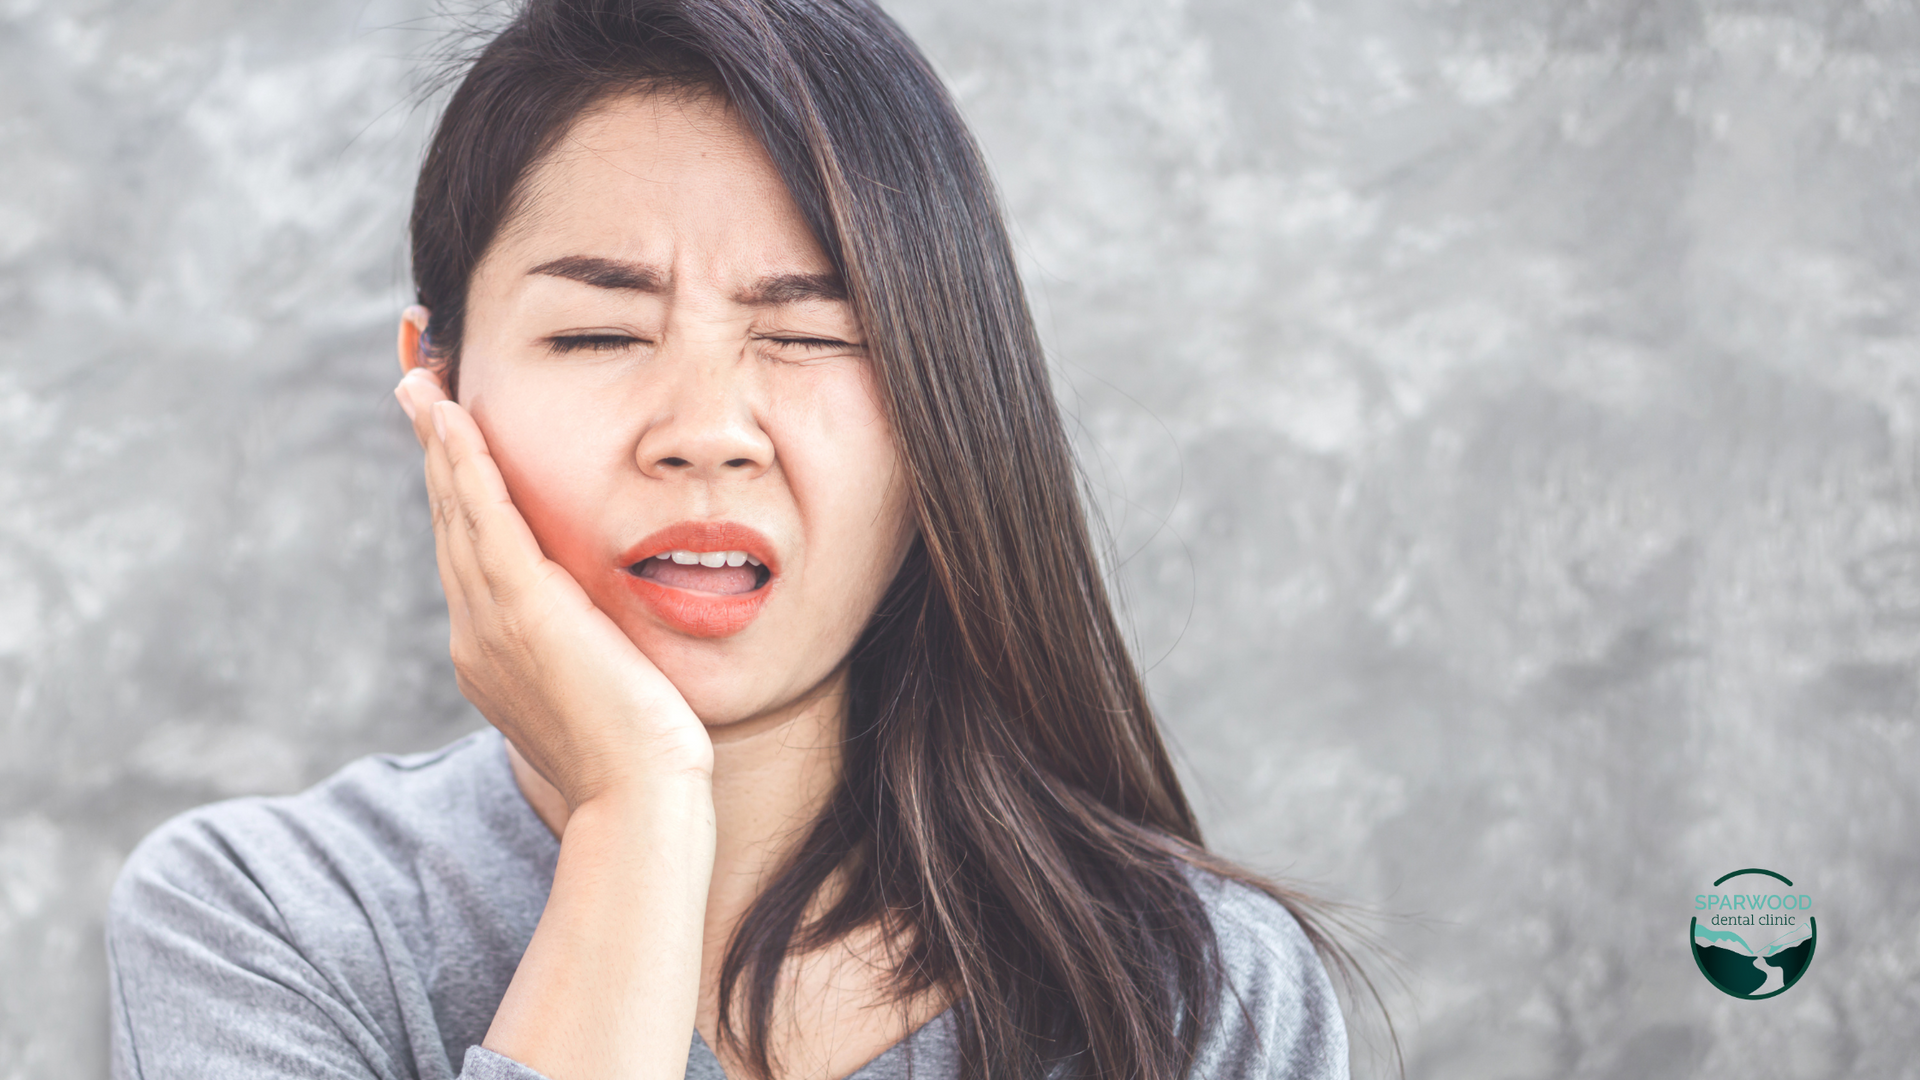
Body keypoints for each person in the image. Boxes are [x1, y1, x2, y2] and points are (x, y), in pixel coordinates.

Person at [105, 1, 1358, 1077]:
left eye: (813, 334)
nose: (706, 434)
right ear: (434, 393)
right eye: (598, 335)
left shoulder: (1200, 984)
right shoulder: (261, 918)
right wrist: (634, 813)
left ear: (945, 413)